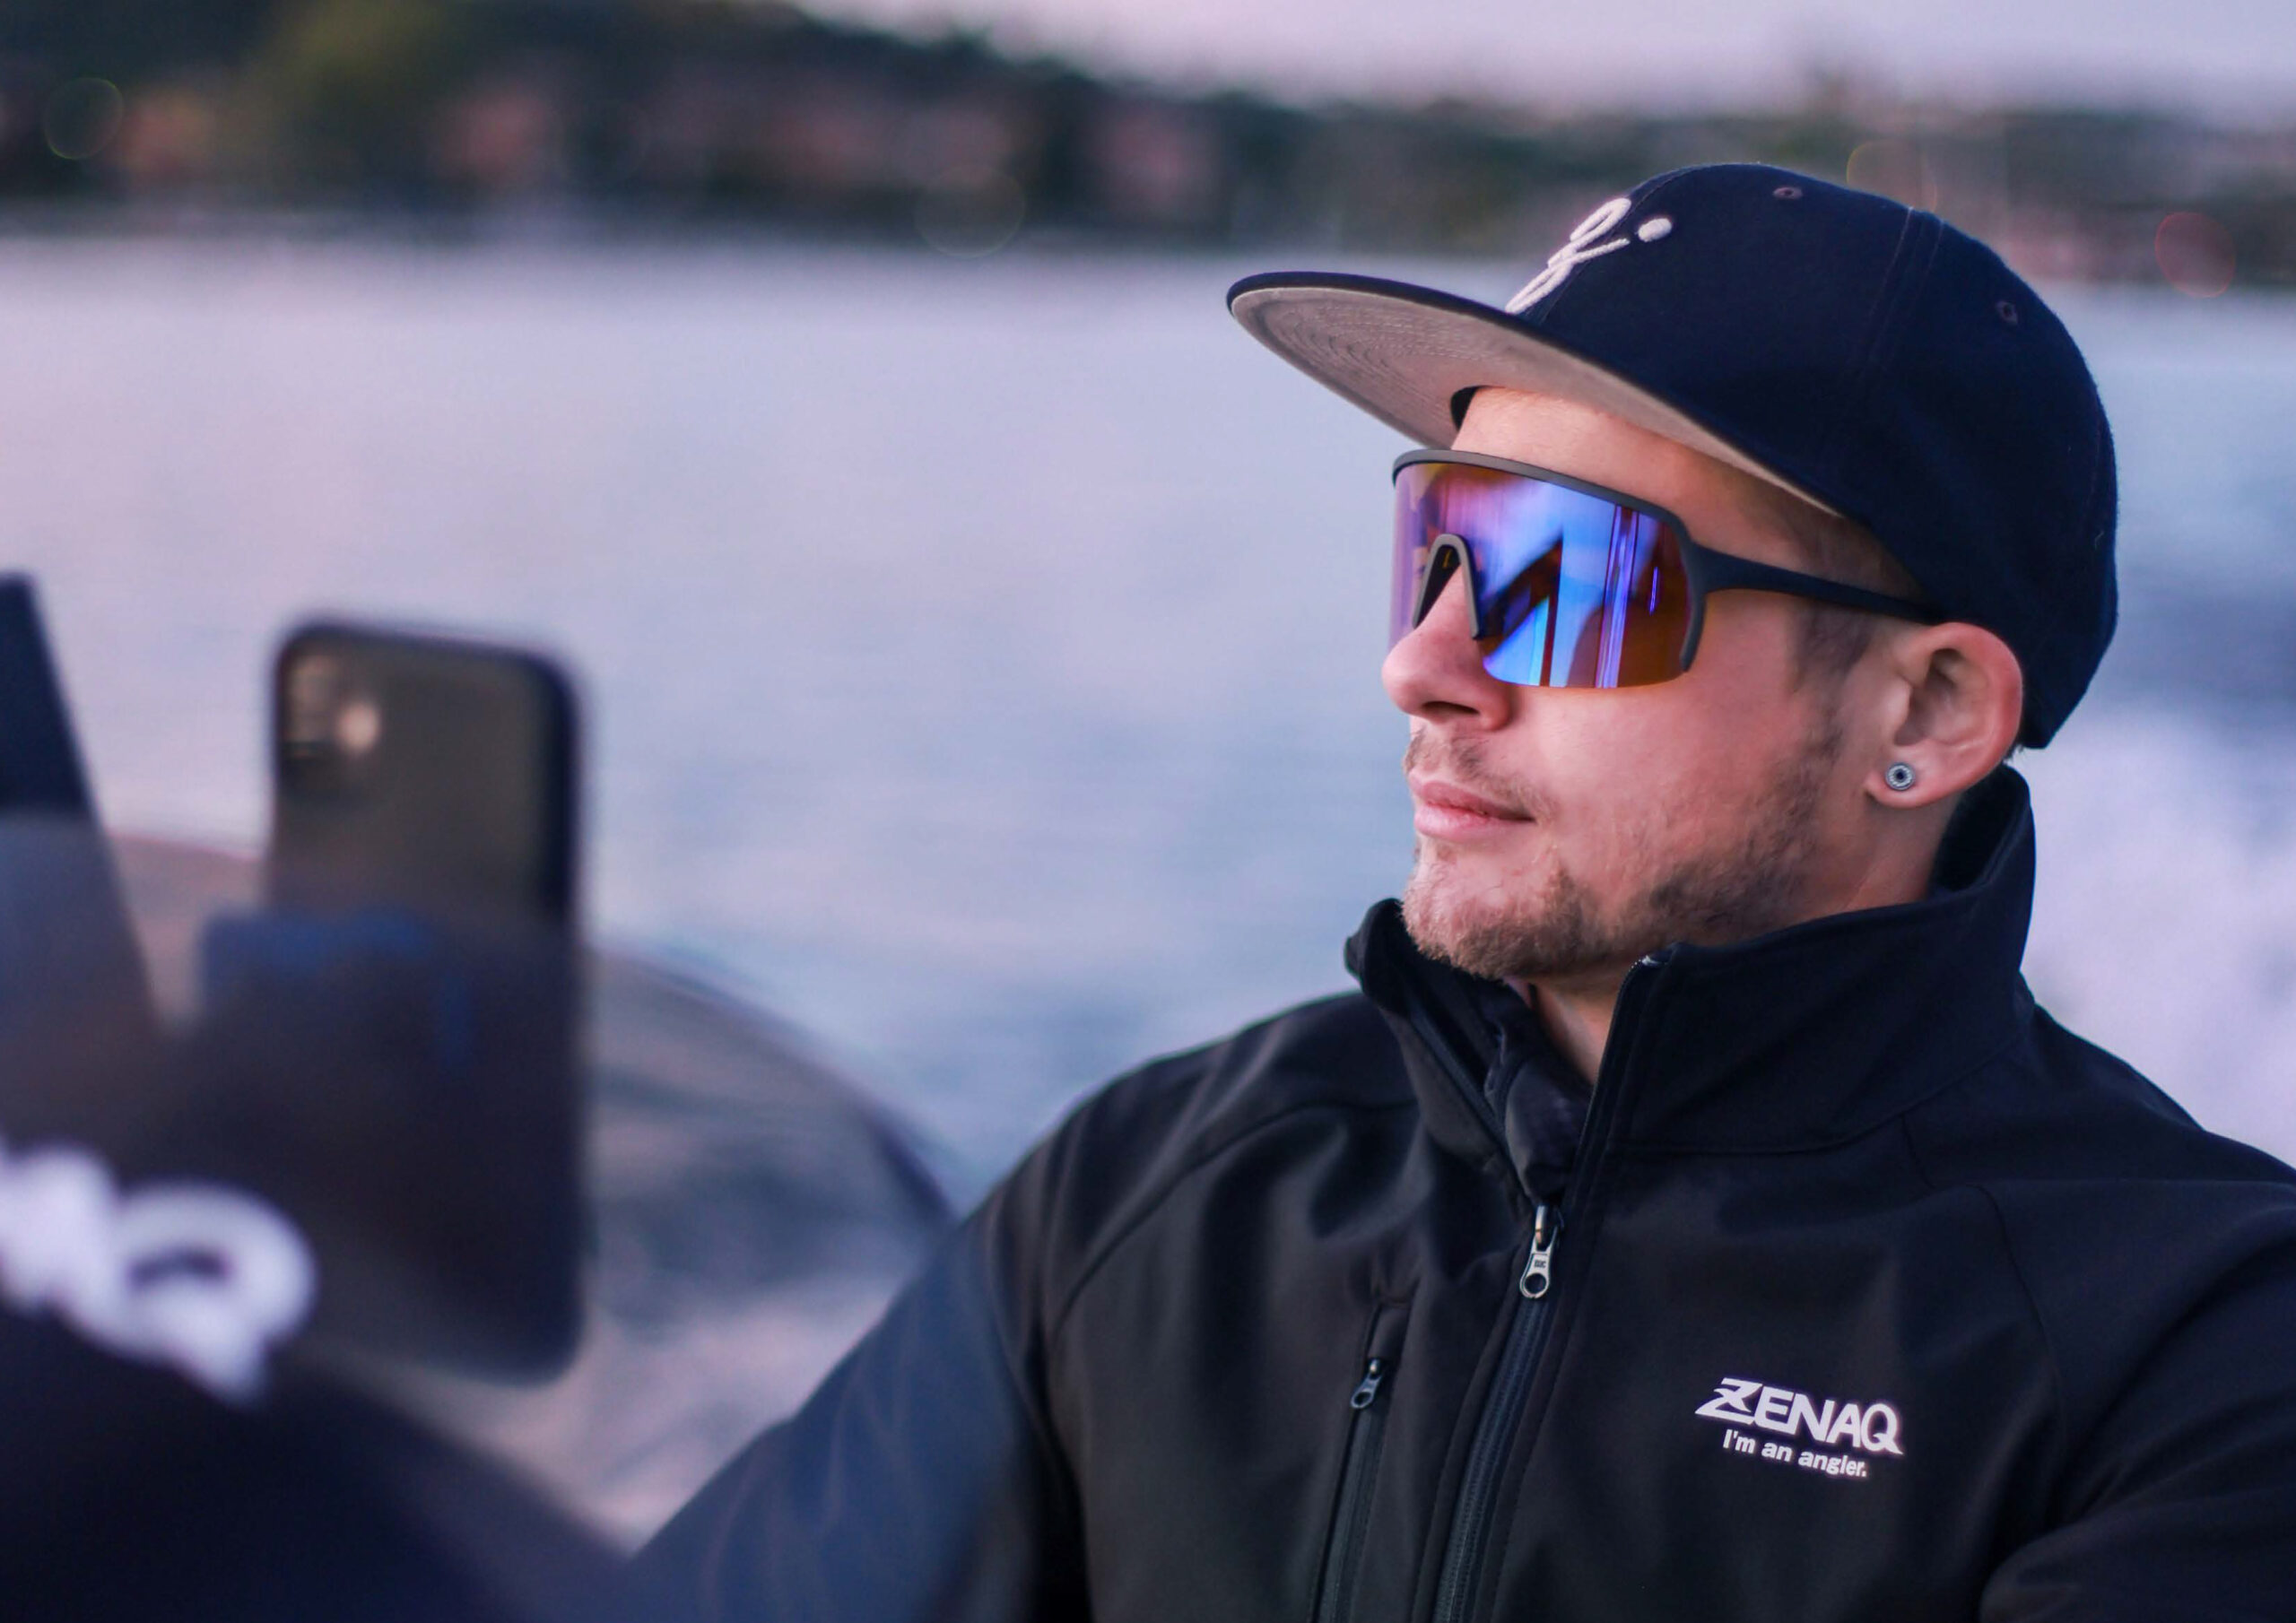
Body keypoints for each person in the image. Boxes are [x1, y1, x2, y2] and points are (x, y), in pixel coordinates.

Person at [632, 164, 2296, 1620]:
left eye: (1563, 577)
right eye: (1437, 544)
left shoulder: (2201, 1361)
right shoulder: (1156, 1195)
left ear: (1923, 715)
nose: (1423, 664)